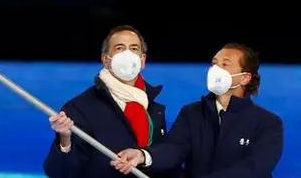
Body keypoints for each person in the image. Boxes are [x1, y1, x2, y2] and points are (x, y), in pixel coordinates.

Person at [112, 42, 283, 177]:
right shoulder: (192, 113)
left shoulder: (267, 122)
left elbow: (255, 168)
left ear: (245, 78)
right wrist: (143, 156)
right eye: (214, 63)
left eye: (225, 64)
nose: (216, 69)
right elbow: (174, 149)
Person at [44, 25, 174, 178]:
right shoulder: (80, 107)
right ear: (105, 59)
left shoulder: (152, 106)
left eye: (134, 48)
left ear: (142, 60)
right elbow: (59, 173)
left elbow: (166, 161)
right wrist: (65, 140)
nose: (127, 54)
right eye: (119, 48)